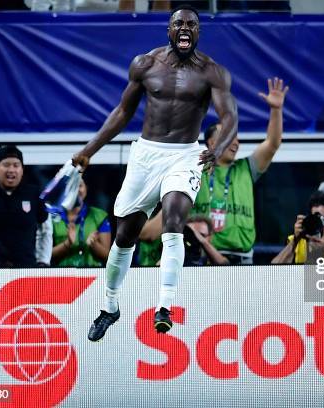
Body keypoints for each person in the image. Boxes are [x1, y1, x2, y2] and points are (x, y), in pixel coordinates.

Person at [71, 5, 238, 340]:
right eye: (179, 24)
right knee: (125, 235)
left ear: (199, 31)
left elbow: (230, 117)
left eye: (192, 24)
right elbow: (122, 111)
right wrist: (89, 150)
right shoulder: (145, 64)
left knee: (175, 220)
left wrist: (217, 150)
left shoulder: (212, 73)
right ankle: (110, 306)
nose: (186, 28)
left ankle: (165, 306)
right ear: (169, 30)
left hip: (186, 155)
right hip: (146, 155)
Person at [191, 77, 288, 265]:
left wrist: (276, 110)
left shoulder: (246, 168)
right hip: (205, 258)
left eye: (236, 137)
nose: (236, 142)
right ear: (211, 143)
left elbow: (272, 143)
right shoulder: (194, 170)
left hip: (243, 260)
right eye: (229, 137)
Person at [50, 179, 112, 267]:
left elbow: (109, 257)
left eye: (80, 185)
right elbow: (45, 255)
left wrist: (94, 245)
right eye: (71, 186)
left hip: (94, 276)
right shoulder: (52, 217)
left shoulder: (99, 216)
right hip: (62, 276)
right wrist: (67, 244)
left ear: (86, 188)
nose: (76, 190)